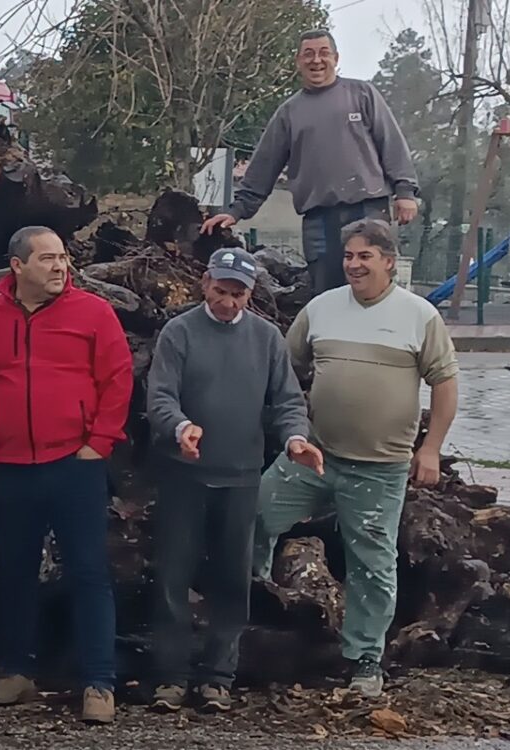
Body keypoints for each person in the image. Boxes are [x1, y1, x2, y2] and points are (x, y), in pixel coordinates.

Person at [254, 219, 458, 700]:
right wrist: (288, 428)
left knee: (372, 561)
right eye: (348, 256)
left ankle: (365, 657)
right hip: (313, 456)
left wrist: (430, 448)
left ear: (389, 261)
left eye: (365, 256)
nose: (354, 264)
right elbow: (286, 370)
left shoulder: (419, 316)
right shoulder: (321, 309)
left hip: (379, 468)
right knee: (255, 514)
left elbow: (446, 385)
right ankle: (256, 605)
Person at [143, 247, 322, 713]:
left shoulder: (266, 338)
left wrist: (295, 439)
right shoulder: (179, 332)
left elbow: (287, 401)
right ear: (205, 284)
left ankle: (218, 677)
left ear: (250, 294)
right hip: (183, 475)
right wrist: (181, 427)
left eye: (237, 295)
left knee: (232, 579)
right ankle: (170, 676)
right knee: (173, 576)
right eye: (220, 291)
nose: (227, 302)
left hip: (241, 477)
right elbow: (160, 397)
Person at [0, 226, 131, 725]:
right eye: (47, 259)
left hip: (74, 464)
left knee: (88, 572)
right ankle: (17, 671)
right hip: (12, 465)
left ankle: (98, 682)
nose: (60, 267)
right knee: (14, 571)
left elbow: (118, 377)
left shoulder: (93, 313)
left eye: (63, 257)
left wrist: (98, 443)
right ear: (17, 266)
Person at [203, 30, 420, 292]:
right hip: (319, 218)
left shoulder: (362, 94)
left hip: (368, 208)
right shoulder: (289, 113)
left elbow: (392, 144)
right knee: (326, 292)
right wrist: (236, 211)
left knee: (373, 286)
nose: (316, 60)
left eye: (323, 53)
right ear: (298, 61)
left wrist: (405, 191)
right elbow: (263, 167)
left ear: (335, 58)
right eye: (308, 54)